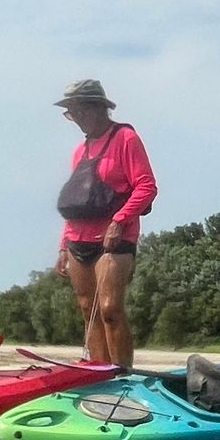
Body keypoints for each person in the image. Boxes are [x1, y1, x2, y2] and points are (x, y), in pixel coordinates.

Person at [54, 79, 157, 369]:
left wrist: (120, 220)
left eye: (79, 111)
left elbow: (146, 186)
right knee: (89, 310)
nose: (76, 118)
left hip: (115, 237)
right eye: (71, 113)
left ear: (98, 108)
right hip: (77, 238)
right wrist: (63, 247)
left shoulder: (125, 138)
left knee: (110, 308)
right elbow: (77, 201)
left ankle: (123, 374)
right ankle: (100, 373)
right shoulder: (79, 151)